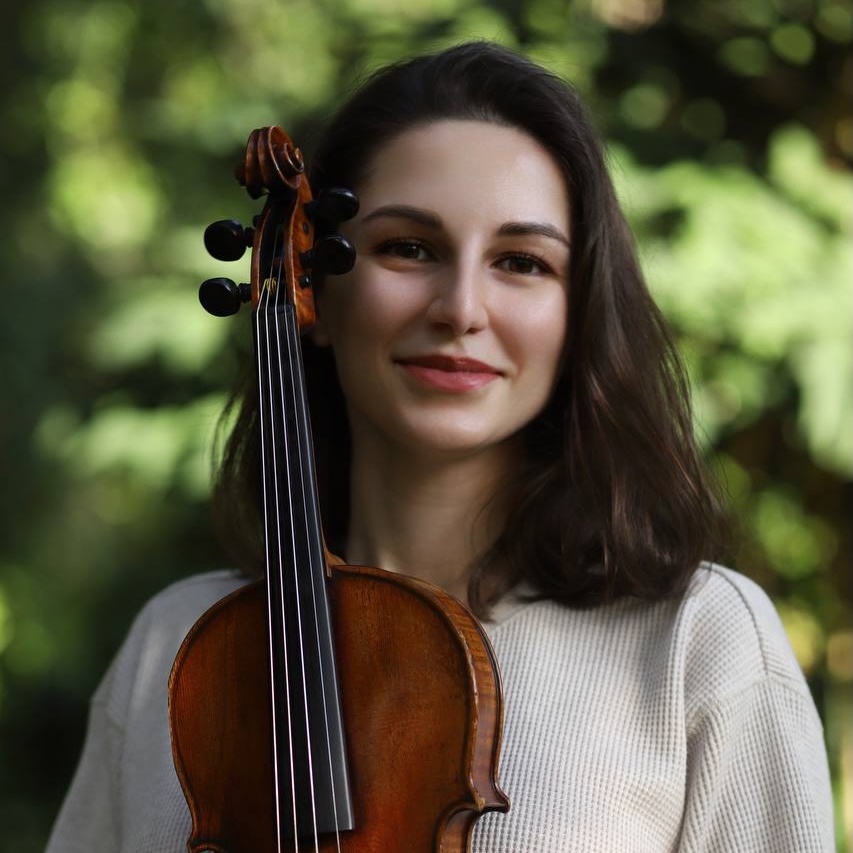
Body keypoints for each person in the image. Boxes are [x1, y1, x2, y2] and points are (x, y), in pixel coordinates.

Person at [46, 41, 834, 852]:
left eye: (521, 262)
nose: (461, 307)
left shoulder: (691, 642)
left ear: (577, 319)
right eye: (407, 248)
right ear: (316, 288)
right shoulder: (178, 646)